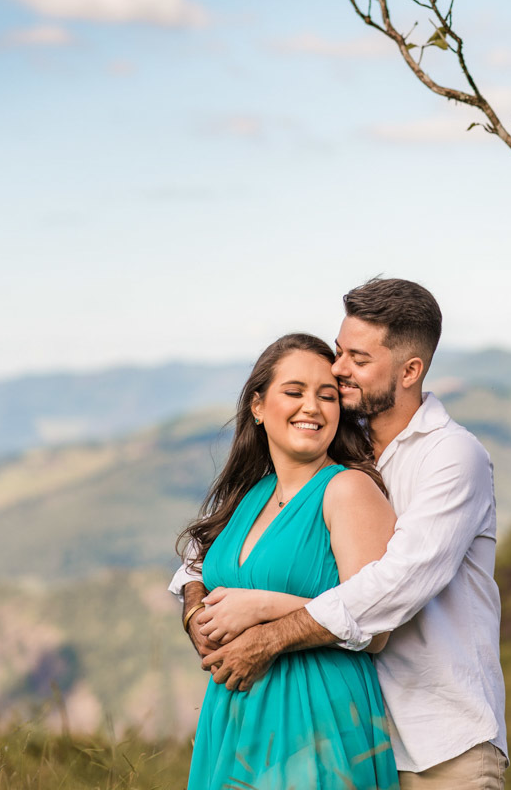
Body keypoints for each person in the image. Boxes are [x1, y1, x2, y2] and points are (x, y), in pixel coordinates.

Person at [174, 279, 507, 789]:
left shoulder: (450, 458)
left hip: (437, 746)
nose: (339, 368)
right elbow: (214, 551)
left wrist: (264, 627)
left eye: (357, 358)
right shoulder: (337, 450)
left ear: (410, 370)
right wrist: (197, 604)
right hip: (346, 724)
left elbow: (391, 588)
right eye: (339, 351)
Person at [176, 331, 399, 790]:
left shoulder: (348, 490)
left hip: (316, 711)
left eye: (328, 396)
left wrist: (262, 606)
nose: (312, 408)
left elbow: (376, 629)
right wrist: (194, 611)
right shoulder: (250, 494)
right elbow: (197, 568)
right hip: (235, 714)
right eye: (294, 392)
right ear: (257, 406)